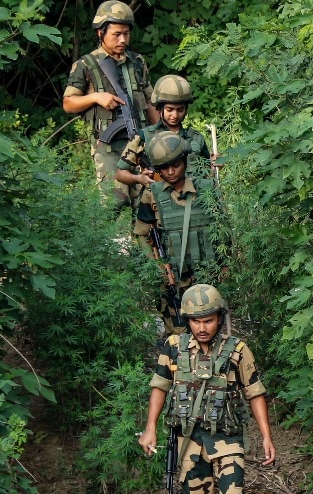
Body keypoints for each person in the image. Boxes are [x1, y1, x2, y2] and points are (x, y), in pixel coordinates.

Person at [138, 284, 277, 494]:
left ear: (219, 319)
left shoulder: (237, 350)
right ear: (187, 321)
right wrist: (151, 427)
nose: (202, 327)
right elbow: (160, 386)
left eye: (209, 320)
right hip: (189, 441)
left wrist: (266, 436)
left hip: (226, 438)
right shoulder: (172, 348)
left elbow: (254, 391)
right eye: (196, 321)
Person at [61, 0, 160, 210]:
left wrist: (164, 136)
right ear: (100, 33)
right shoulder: (85, 65)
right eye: (116, 34)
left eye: (126, 33)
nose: (123, 39)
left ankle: (141, 242)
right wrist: (96, 97)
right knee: (114, 203)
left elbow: (151, 103)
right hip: (108, 148)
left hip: (140, 142)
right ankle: (111, 242)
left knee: (147, 200)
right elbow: (69, 103)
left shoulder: (137, 62)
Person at [135, 130, 223, 334]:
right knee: (178, 337)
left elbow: (221, 229)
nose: (172, 172)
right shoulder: (152, 195)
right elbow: (141, 234)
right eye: (164, 168)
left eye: (176, 164)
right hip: (174, 279)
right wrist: (159, 267)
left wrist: (224, 265)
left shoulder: (206, 188)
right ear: (157, 169)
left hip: (207, 275)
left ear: (185, 161)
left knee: (210, 332)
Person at [114, 74, 212, 205]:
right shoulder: (144, 137)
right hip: (153, 206)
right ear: (159, 108)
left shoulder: (195, 138)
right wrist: (139, 178)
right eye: (169, 110)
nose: (175, 115)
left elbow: (207, 173)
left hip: (192, 203)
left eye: (180, 110)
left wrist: (215, 165)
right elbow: (120, 173)